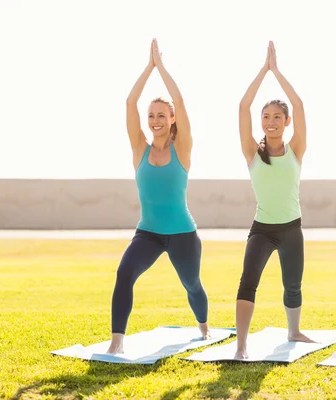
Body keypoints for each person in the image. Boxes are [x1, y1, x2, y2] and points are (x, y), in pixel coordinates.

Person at [107, 39, 210, 354]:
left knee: (192, 284)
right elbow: (129, 103)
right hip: (148, 233)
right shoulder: (140, 148)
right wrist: (147, 67)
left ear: (172, 118)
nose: (155, 121)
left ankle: (205, 329)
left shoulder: (183, 149)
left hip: (182, 234)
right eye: (151, 116)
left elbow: (179, 98)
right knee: (124, 273)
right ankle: (116, 343)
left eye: (161, 116)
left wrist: (162, 68)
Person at [234, 41, 312, 359]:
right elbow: (242, 107)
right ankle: (240, 345)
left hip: (292, 228)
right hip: (262, 230)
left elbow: (300, 105)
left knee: (293, 286)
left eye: (278, 116)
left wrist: (277, 72)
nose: (271, 121)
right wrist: (262, 71)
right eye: (266, 116)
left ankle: (293, 331)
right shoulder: (253, 152)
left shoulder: (296, 150)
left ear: (286, 121)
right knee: (247, 282)